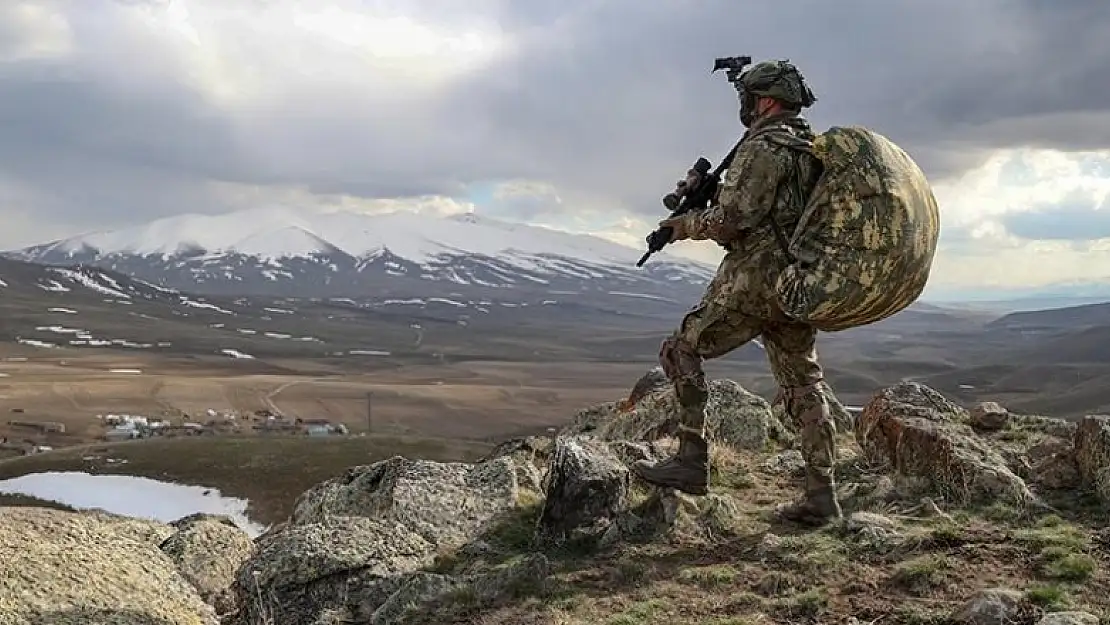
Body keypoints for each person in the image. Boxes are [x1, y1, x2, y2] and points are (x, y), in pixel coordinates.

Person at [630, 59, 842, 526]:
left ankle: (691, 460)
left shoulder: (763, 148)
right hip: (797, 282)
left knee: (681, 349)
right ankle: (821, 494)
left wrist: (684, 224)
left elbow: (734, 219)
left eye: (748, 97)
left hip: (753, 281)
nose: (743, 106)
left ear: (765, 100)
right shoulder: (810, 149)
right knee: (804, 382)